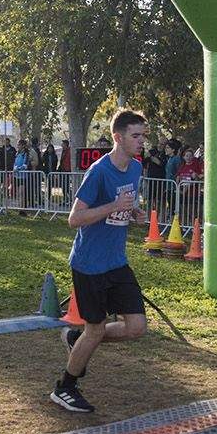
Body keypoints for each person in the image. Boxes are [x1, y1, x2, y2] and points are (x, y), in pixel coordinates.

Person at [53, 109, 148, 413]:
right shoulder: (98, 172)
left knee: (136, 327)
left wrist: (133, 213)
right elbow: (74, 219)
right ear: (118, 138)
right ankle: (65, 388)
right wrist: (112, 206)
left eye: (144, 135)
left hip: (117, 262)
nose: (141, 141)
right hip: (89, 264)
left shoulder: (135, 169)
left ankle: (77, 339)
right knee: (96, 329)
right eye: (136, 136)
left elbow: (123, 206)